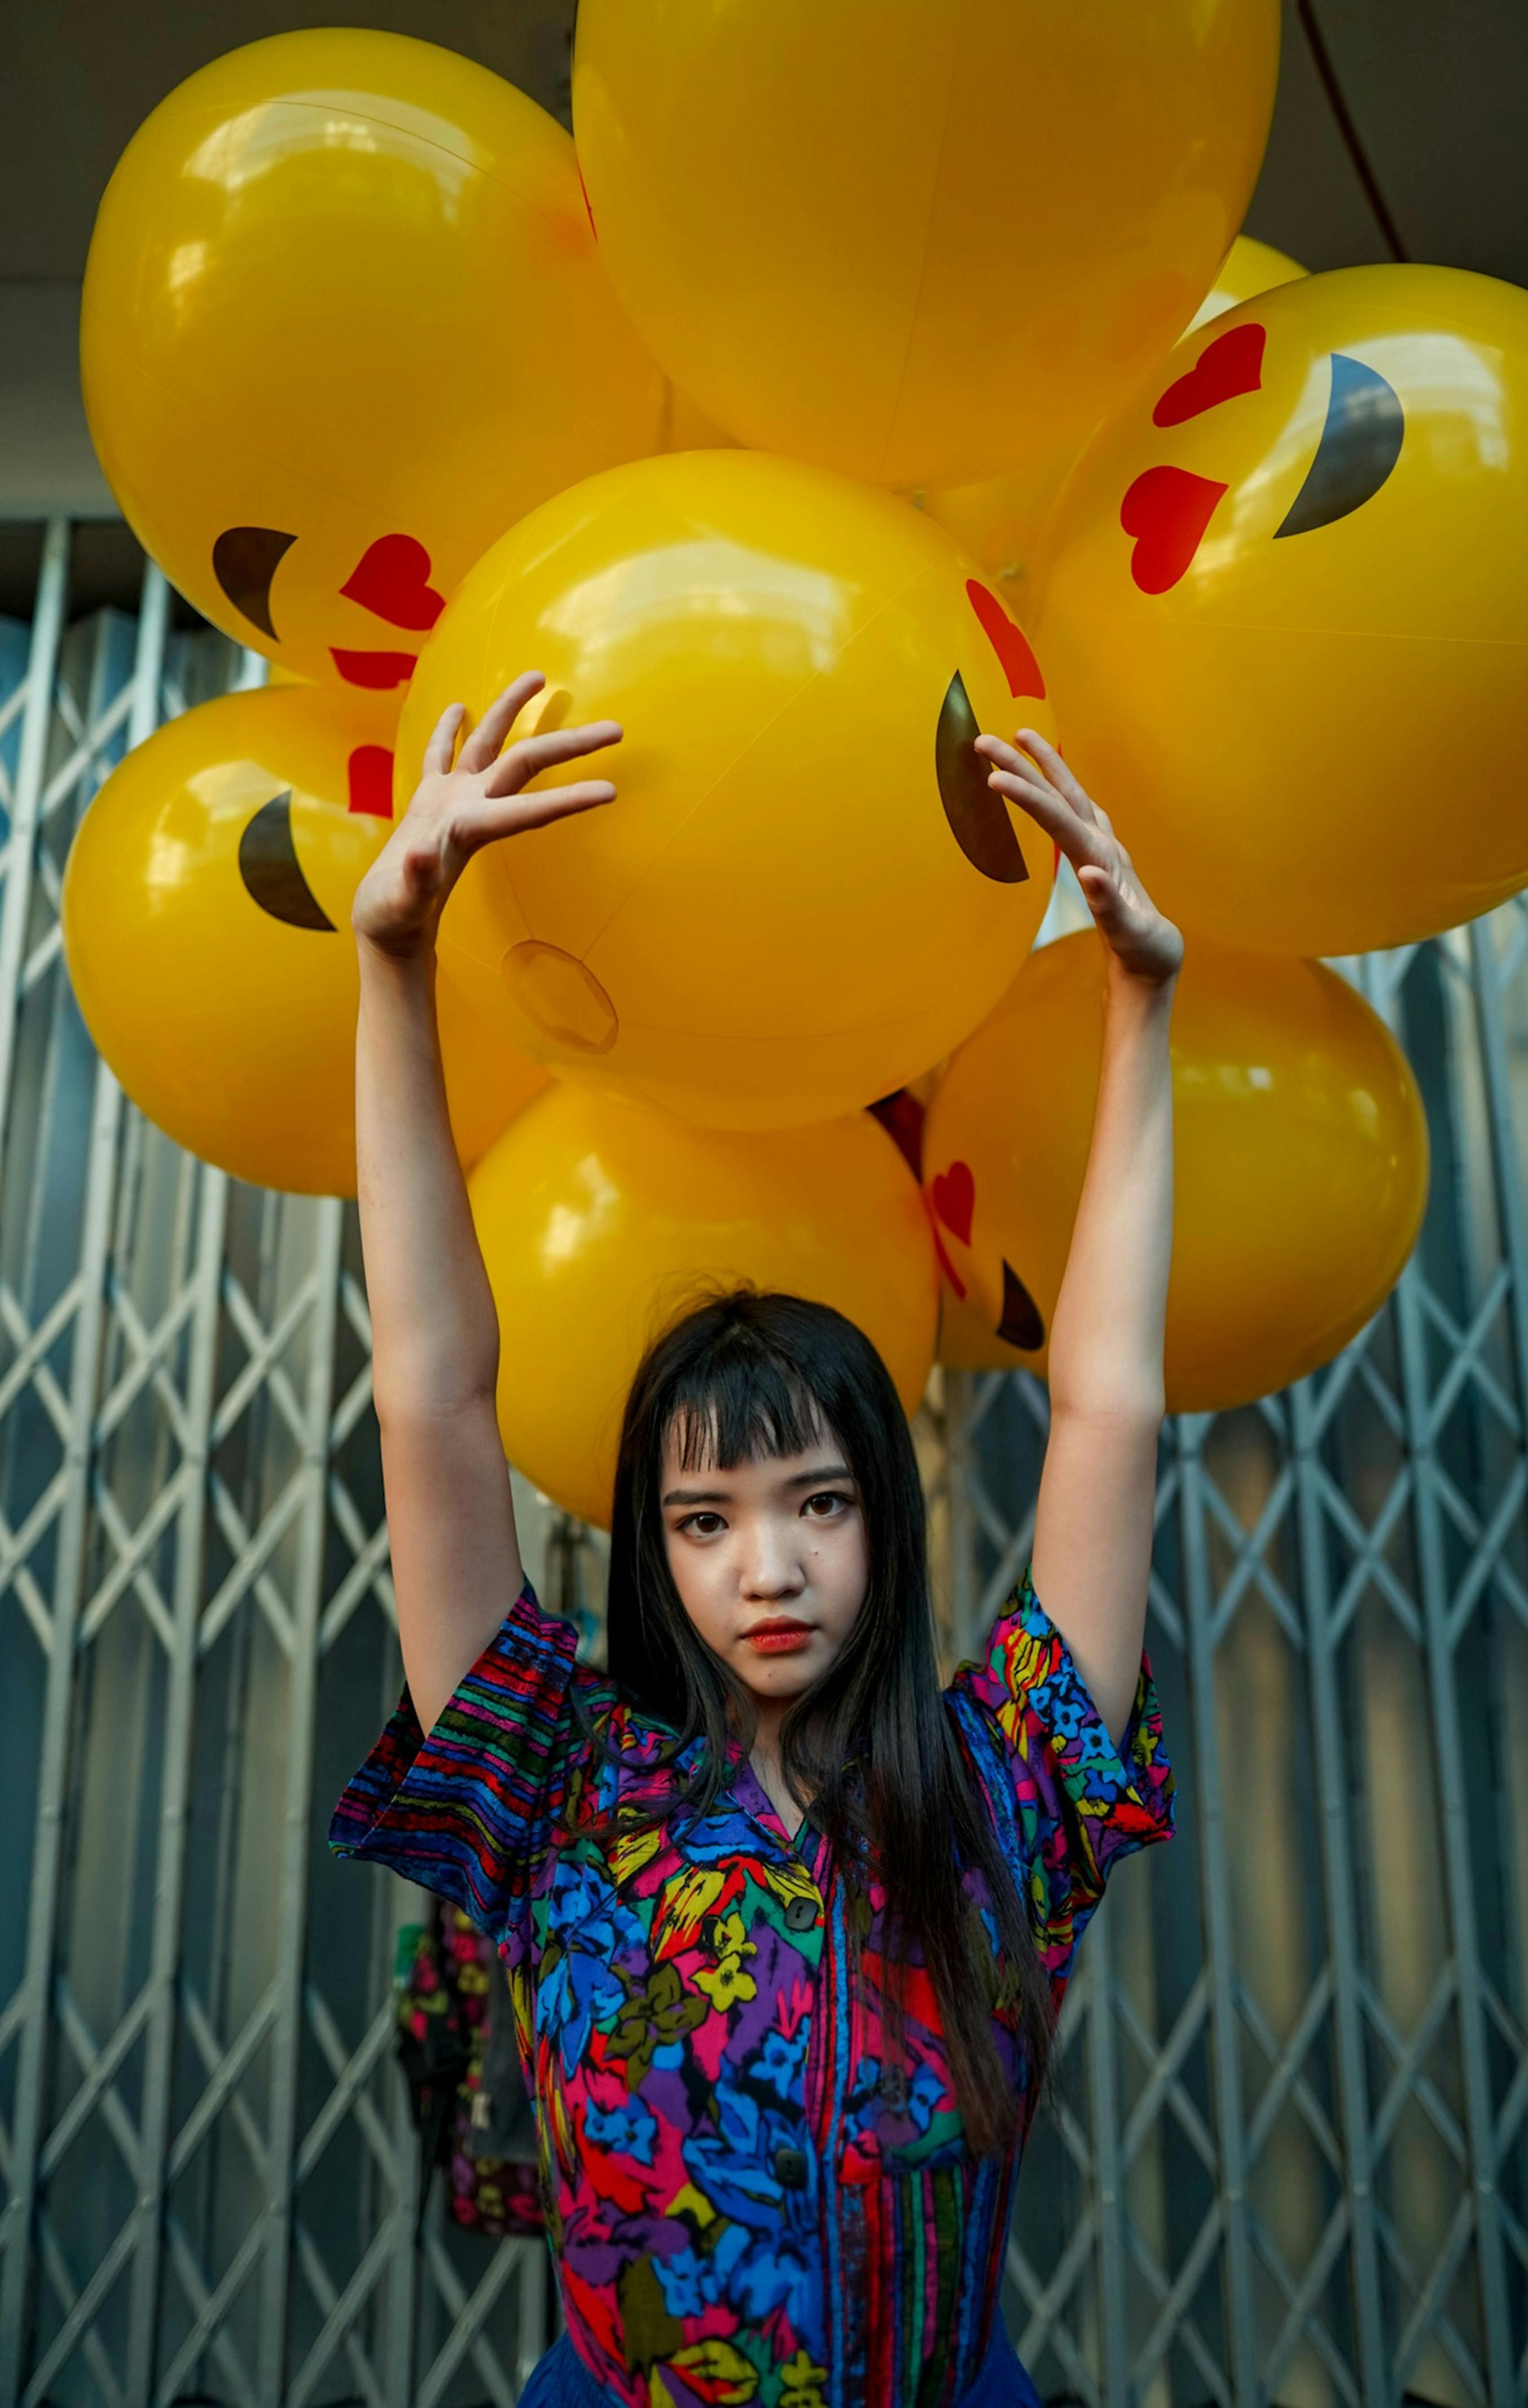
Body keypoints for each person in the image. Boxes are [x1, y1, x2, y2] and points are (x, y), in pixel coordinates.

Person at [329, 672, 1182, 2408]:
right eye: (704, 1521)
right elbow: (433, 1399)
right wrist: (393, 971)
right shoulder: (558, 1786)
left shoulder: (1009, 1783)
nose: (767, 1568)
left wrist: (1137, 1001)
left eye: (818, 1504)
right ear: (655, 1550)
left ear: (887, 1516)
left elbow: (1106, 1403)